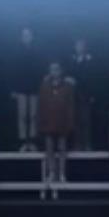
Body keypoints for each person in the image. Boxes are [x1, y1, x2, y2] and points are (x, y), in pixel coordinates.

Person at [37, 60, 75, 200]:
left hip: (62, 122)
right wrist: (40, 123)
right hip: (48, 122)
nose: (55, 72)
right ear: (49, 71)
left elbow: (71, 107)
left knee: (62, 148)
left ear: (61, 70)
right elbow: (40, 106)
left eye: (57, 69)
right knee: (49, 148)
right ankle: (52, 171)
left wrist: (70, 124)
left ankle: (62, 173)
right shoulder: (44, 86)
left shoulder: (68, 87)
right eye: (52, 69)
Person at [8, 27, 43, 151]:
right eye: (24, 35)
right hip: (21, 89)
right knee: (22, 116)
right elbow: (13, 72)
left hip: (34, 89)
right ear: (21, 37)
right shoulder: (16, 52)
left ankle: (32, 142)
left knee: (33, 116)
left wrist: (40, 88)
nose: (26, 37)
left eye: (28, 35)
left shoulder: (37, 52)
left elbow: (40, 71)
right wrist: (13, 89)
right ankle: (23, 142)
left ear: (32, 36)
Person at [66, 37, 98, 151]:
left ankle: (87, 144)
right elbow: (68, 76)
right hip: (73, 95)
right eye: (77, 45)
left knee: (86, 120)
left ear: (85, 47)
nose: (79, 47)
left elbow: (92, 78)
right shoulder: (71, 61)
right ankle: (77, 145)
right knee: (75, 120)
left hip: (85, 94)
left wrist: (92, 95)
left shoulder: (90, 61)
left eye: (82, 45)